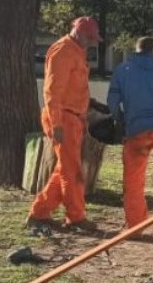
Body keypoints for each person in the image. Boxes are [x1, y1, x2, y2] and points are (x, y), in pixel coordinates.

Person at [27, 16, 101, 232]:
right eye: (90, 38)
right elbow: (52, 92)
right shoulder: (63, 51)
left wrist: (83, 117)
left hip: (73, 118)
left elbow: (75, 90)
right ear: (78, 33)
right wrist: (57, 124)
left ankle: (40, 213)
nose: (93, 42)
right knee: (72, 172)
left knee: (65, 169)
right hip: (63, 118)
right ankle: (76, 218)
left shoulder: (76, 51)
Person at [107, 36, 153, 229]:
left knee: (133, 179)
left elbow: (113, 102)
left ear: (135, 49)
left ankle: (136, 224)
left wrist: (121, 119)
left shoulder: (123, 70)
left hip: (136, 129)